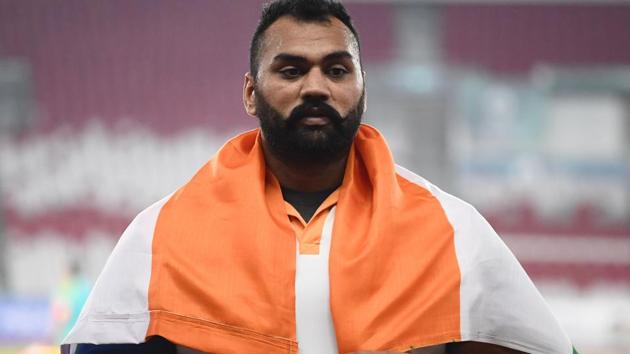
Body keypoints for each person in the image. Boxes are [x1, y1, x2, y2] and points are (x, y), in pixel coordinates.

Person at [61, 1, 577, 353]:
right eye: (290, 70)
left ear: (362, 88)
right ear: (249, 93)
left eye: (336, 70)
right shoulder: (162, 235)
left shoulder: (453, 231)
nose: (315, 87)